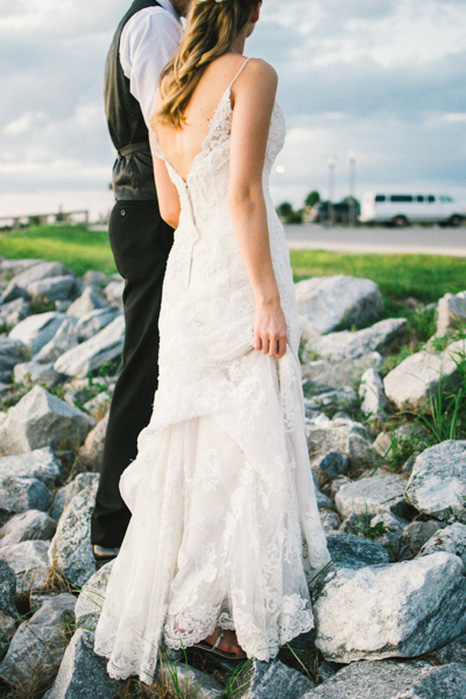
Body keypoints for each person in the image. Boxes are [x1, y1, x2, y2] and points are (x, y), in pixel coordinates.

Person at [94, 0, 330, 682]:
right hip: (238, 267)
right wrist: (264, 296)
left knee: (196, 433)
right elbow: (246, 195)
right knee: (249, 425)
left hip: (190, 274)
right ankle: (233, 608)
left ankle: (190, 596)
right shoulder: (253, 72)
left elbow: (172, 207)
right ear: (248, 9)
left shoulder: (168, 88)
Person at [91, 0, 189, 566]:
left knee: (158, 357)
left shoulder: (160, 20)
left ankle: (145, 503)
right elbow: (164, 125)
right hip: (150, 208)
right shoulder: (154, 23)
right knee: (145, 360)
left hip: (148, 206)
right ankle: (112, 524)